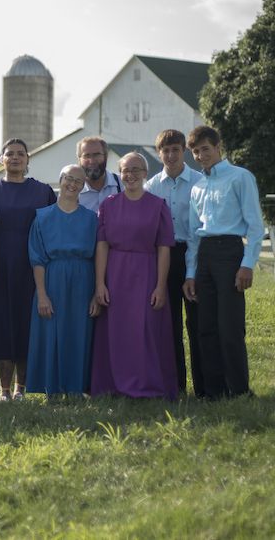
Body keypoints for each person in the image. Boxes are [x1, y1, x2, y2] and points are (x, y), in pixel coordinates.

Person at [182, 126, 264, 399]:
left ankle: (239, 390)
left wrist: (247, 263)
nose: (201, 155)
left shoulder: (241, 178)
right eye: (195, 152)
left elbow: (254, 225)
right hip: (204, 255)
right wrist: (191, 273)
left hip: (230, 254)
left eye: (205, 148)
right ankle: (214, 391)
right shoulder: (198, 187)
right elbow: (194, 236)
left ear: (219, 147)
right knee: (205, 327)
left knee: (229, 326)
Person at [91, 152, 178, 399]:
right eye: (125, 170)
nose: (130, 175)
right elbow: (102, 245)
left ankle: (146, 384)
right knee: (115, 331)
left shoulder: (158, 205)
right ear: (120, 173)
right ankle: (112, 385)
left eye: (136, 169)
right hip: (115, 274)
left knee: (145, 330)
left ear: (145, 173)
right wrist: (100, 283)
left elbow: (163, 248)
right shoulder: (108, 204)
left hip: (147, 273)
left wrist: (161, 286)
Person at [0, 139, 56, 401]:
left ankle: (20, 388)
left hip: (33, 267)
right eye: (9, 154)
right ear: (1, 159)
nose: (15, 158)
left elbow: (52, 228)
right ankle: (3, 389)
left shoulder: (43, 191)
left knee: (27, 324)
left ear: (28, 160)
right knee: (3, 324)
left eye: (20, 154)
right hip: (0, 266)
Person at [25, 164, 99, 398]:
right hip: (52, 279)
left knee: (79, 333)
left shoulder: (92, 219)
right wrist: (42, 294)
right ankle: (52, 388)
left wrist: (97, 292)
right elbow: (37, 258)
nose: (72, 184)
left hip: (83, 280)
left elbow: (99, 256)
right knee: (51, 333)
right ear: (60, 180)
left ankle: (77, 388)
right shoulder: (42, 217)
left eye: (78, 181)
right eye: (68, 178)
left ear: (83, 186)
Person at [145, 129, 205, 397]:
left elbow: (200, 227)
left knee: (197, 323)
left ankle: (204, 386)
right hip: (164, 258)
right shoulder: (151, 187)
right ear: (159, 154)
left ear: (184, 152)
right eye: (165, 151)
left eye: (176, 150)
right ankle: (175, 386)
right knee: (170, 327)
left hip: (193, 254)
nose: (170, 155)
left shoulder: (199, 182)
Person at [77, 136, 122, 213]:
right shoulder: (73, 190)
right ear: (79, 160)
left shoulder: (122, 184)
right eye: (87, 156)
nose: (92, 161)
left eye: (96, 155)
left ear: (106, 156)